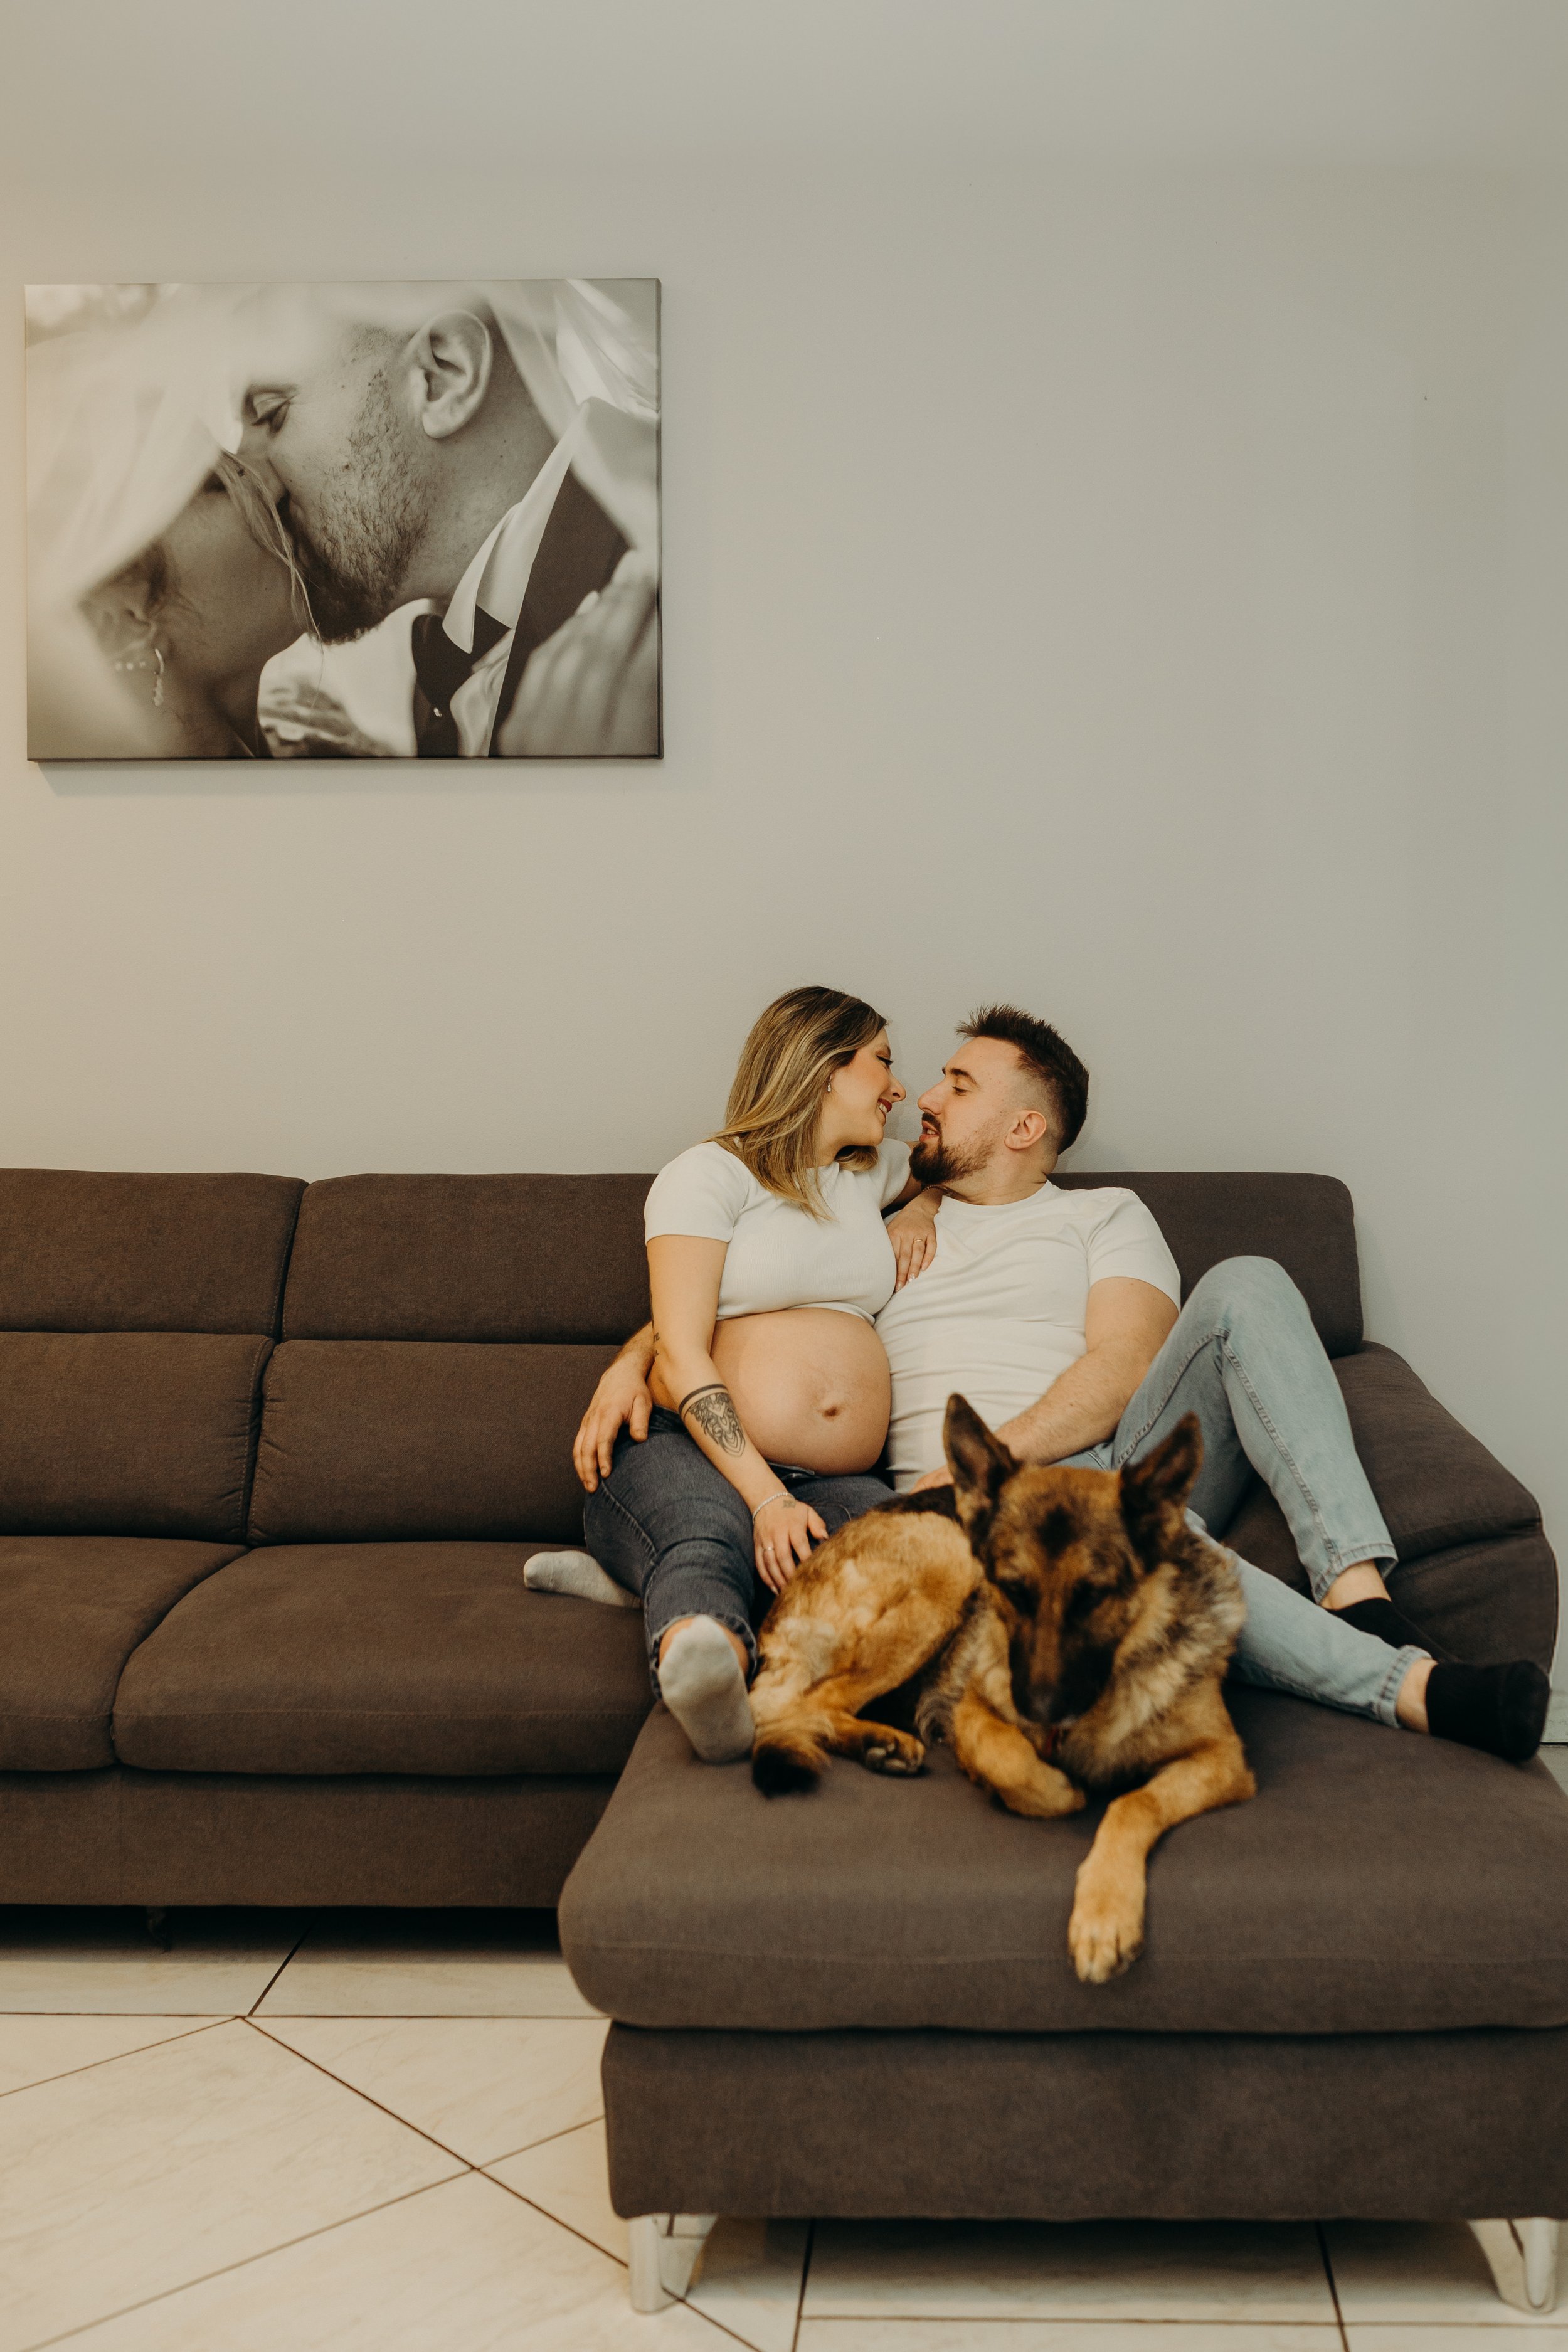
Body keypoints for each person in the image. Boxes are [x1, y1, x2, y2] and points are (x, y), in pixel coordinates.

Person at [569, 1002, 1550, 1769]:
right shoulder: (873, 1223)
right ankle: (1409, 1687)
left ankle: (1358, 1593)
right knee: (1139, 1538)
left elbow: (1127, 1364)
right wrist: (632, 1356)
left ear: (1026, 1123)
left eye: (958, 1083)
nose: (924, 1096)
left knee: (1248, 1283)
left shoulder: (1102, 1217)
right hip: (975, 1516)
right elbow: (740, 1289)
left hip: (1098, 1455)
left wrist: (1006, 1461)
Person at [231, 280, 659, 758]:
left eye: (273, 414)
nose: (250, 483)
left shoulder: (671, 589)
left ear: (443, 377)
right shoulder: (438, 670)